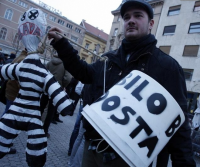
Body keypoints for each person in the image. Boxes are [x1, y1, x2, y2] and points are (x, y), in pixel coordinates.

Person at [48, 0, 195, 166]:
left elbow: (179, 126)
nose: (131, 20)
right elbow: (84, 72)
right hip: (93, 149)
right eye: (126, 17)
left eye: (138, 16)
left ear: (151, 24)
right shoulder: (109, 59)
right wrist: (62, 44)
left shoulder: (167, 66)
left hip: (130, 159)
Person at [43, 55, 72, 137]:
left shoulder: (49, 62)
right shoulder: (65, 64)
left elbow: (44, 73)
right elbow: (68, 78)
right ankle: (44, 130)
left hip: (46, 87)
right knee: (51, 111)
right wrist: (63, 85)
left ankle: (36, 126)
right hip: (56, 89)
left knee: (42, 107)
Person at [68, 81, 84, 156]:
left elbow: (77, 89)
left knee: (78, 128)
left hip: (84, 104)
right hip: (84, 105)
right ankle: (72, 150)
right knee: (78, 128)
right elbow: (77, 89)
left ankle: (72, 150)